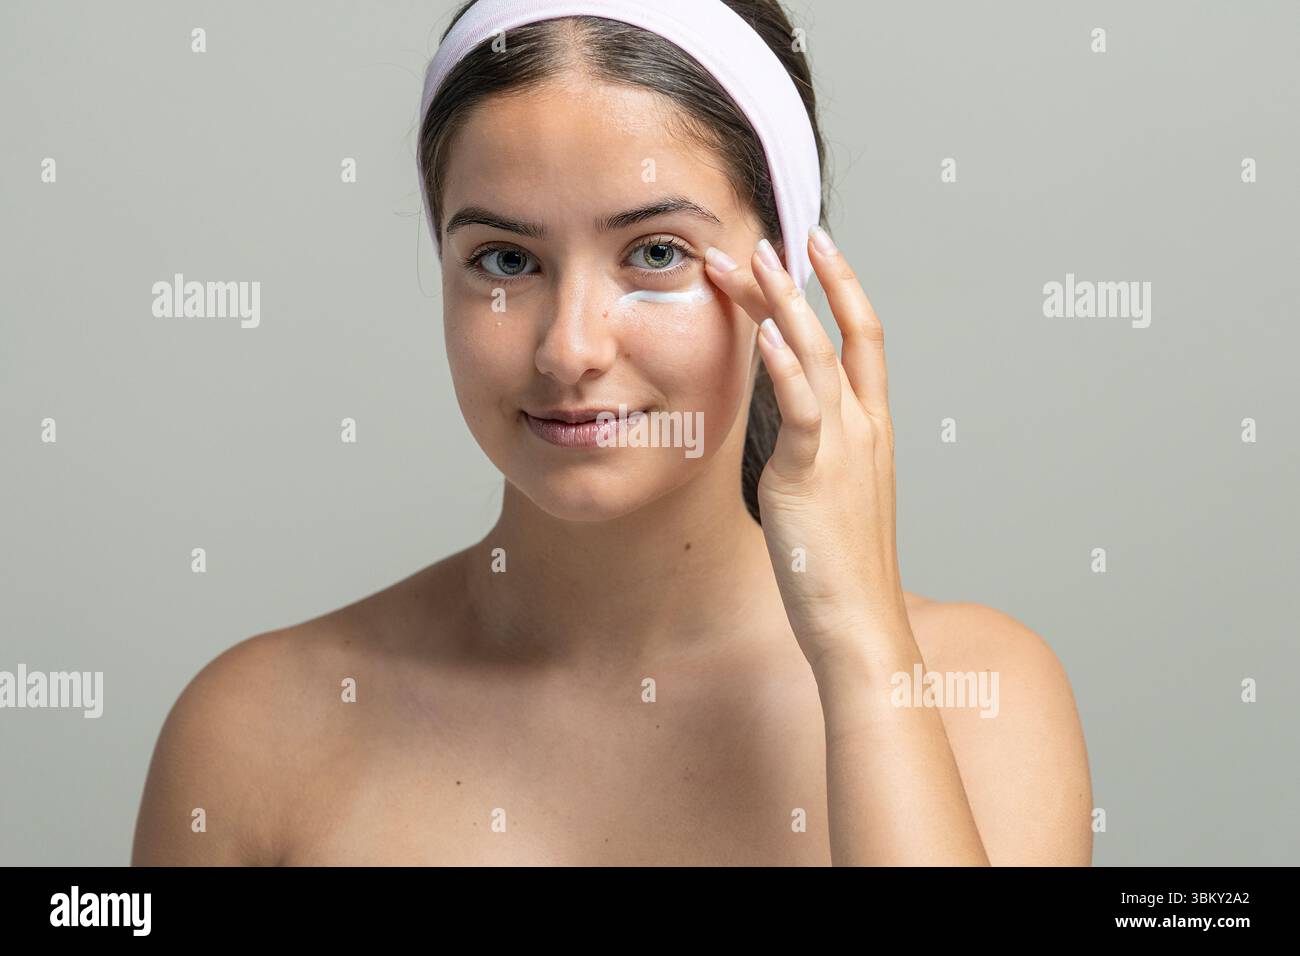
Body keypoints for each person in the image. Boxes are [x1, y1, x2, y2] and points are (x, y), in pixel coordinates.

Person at [132, 0, 1092, 866]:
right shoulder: (252, 732)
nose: (570, 347)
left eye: (657, 253)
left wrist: (861, 650)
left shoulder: (982, 699)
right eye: (506, 258)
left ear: (787, 273)